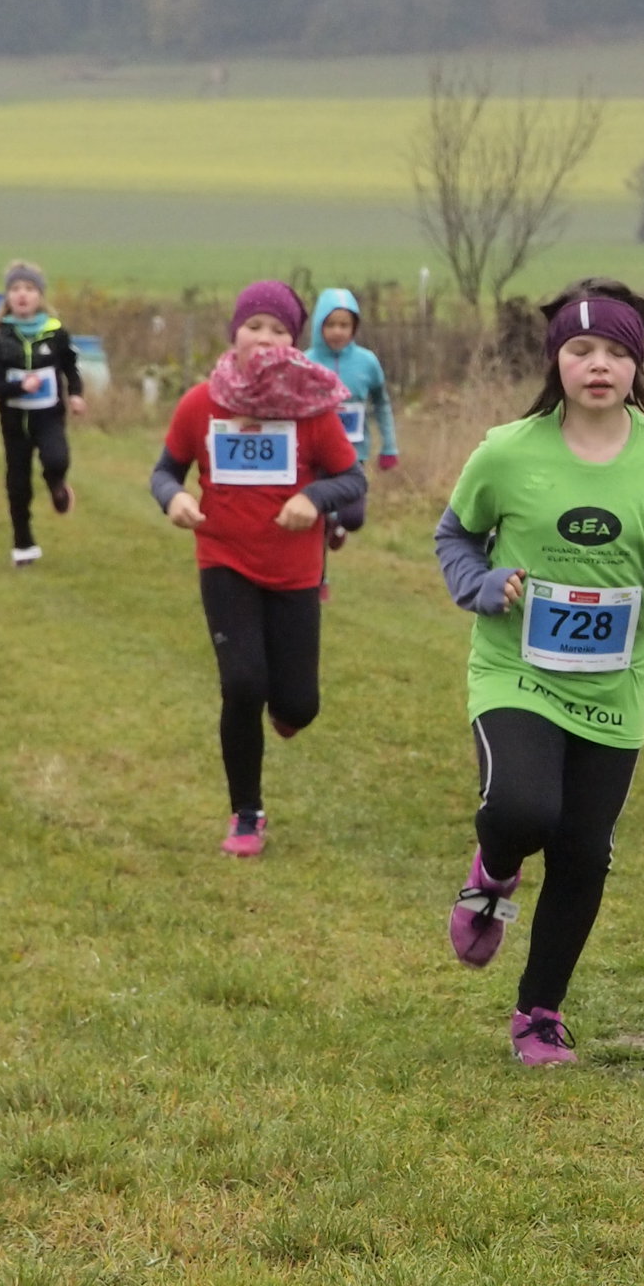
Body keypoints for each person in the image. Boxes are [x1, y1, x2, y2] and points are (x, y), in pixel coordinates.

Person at [434, 280, 644, 1065]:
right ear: (555, 360)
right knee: (523, 808)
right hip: (515, 668)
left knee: (584, 851)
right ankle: (493, 874)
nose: (600, 365)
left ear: (638, 364)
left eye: (617, 352)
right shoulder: (506, 451)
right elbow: (455, 537)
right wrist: (482, 585)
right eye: (582, 350)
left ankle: (539, 1011)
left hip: (615, 683)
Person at [149, 280, 365, 856]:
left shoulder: (311, 409)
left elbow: (352, 479)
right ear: (235, 334)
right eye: (254, 327)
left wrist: (313, 498)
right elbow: (164, 471)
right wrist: (173, 497)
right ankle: (247, 813)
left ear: (293, 343)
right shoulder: (200, 404)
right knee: (243, 684)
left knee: (298, 706)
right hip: (224, 560)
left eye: (278, 330)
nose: (265, 339)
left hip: (295, 573)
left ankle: (285, 709)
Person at [0, 259, 86, 566]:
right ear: (8, 297)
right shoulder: (1, 337)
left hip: (48, 416)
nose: (22, 294)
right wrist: (18, 387)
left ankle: (57, 486)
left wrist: (76, 395)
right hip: (14, 421)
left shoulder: (55, 332)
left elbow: (71, 367)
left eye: (28, 288)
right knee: (18, 483)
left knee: (56, 459)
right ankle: (23, 544)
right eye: (15, 289)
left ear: (40, 295)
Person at [307, 289, 399, 544]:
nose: (337, 331)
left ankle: (336, 523)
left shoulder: (367, 362)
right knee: (314, 518)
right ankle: (322, 547)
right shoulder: (305, 362)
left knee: (353, 517)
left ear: (354, 328)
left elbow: (381, 404)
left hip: (353, 453)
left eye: (344, 325)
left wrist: (389, 447)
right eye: (330, 325)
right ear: (319, 326)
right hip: (316, 454)